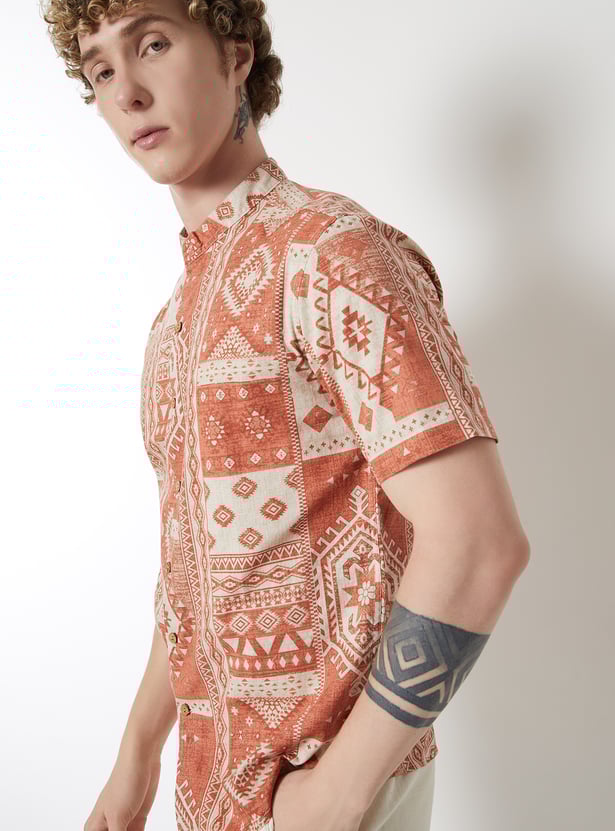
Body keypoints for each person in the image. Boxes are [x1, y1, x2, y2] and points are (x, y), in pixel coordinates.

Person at [41, 1, 531, 829]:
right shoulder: (173, 323)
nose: (126, 92)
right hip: (212, 791)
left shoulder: (331, 253)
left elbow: (480, 543)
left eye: (151, 44)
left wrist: (338, 792)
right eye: (101, 69)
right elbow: (198, 574)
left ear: (235, 56)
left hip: (323, 793)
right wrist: (136, 757)